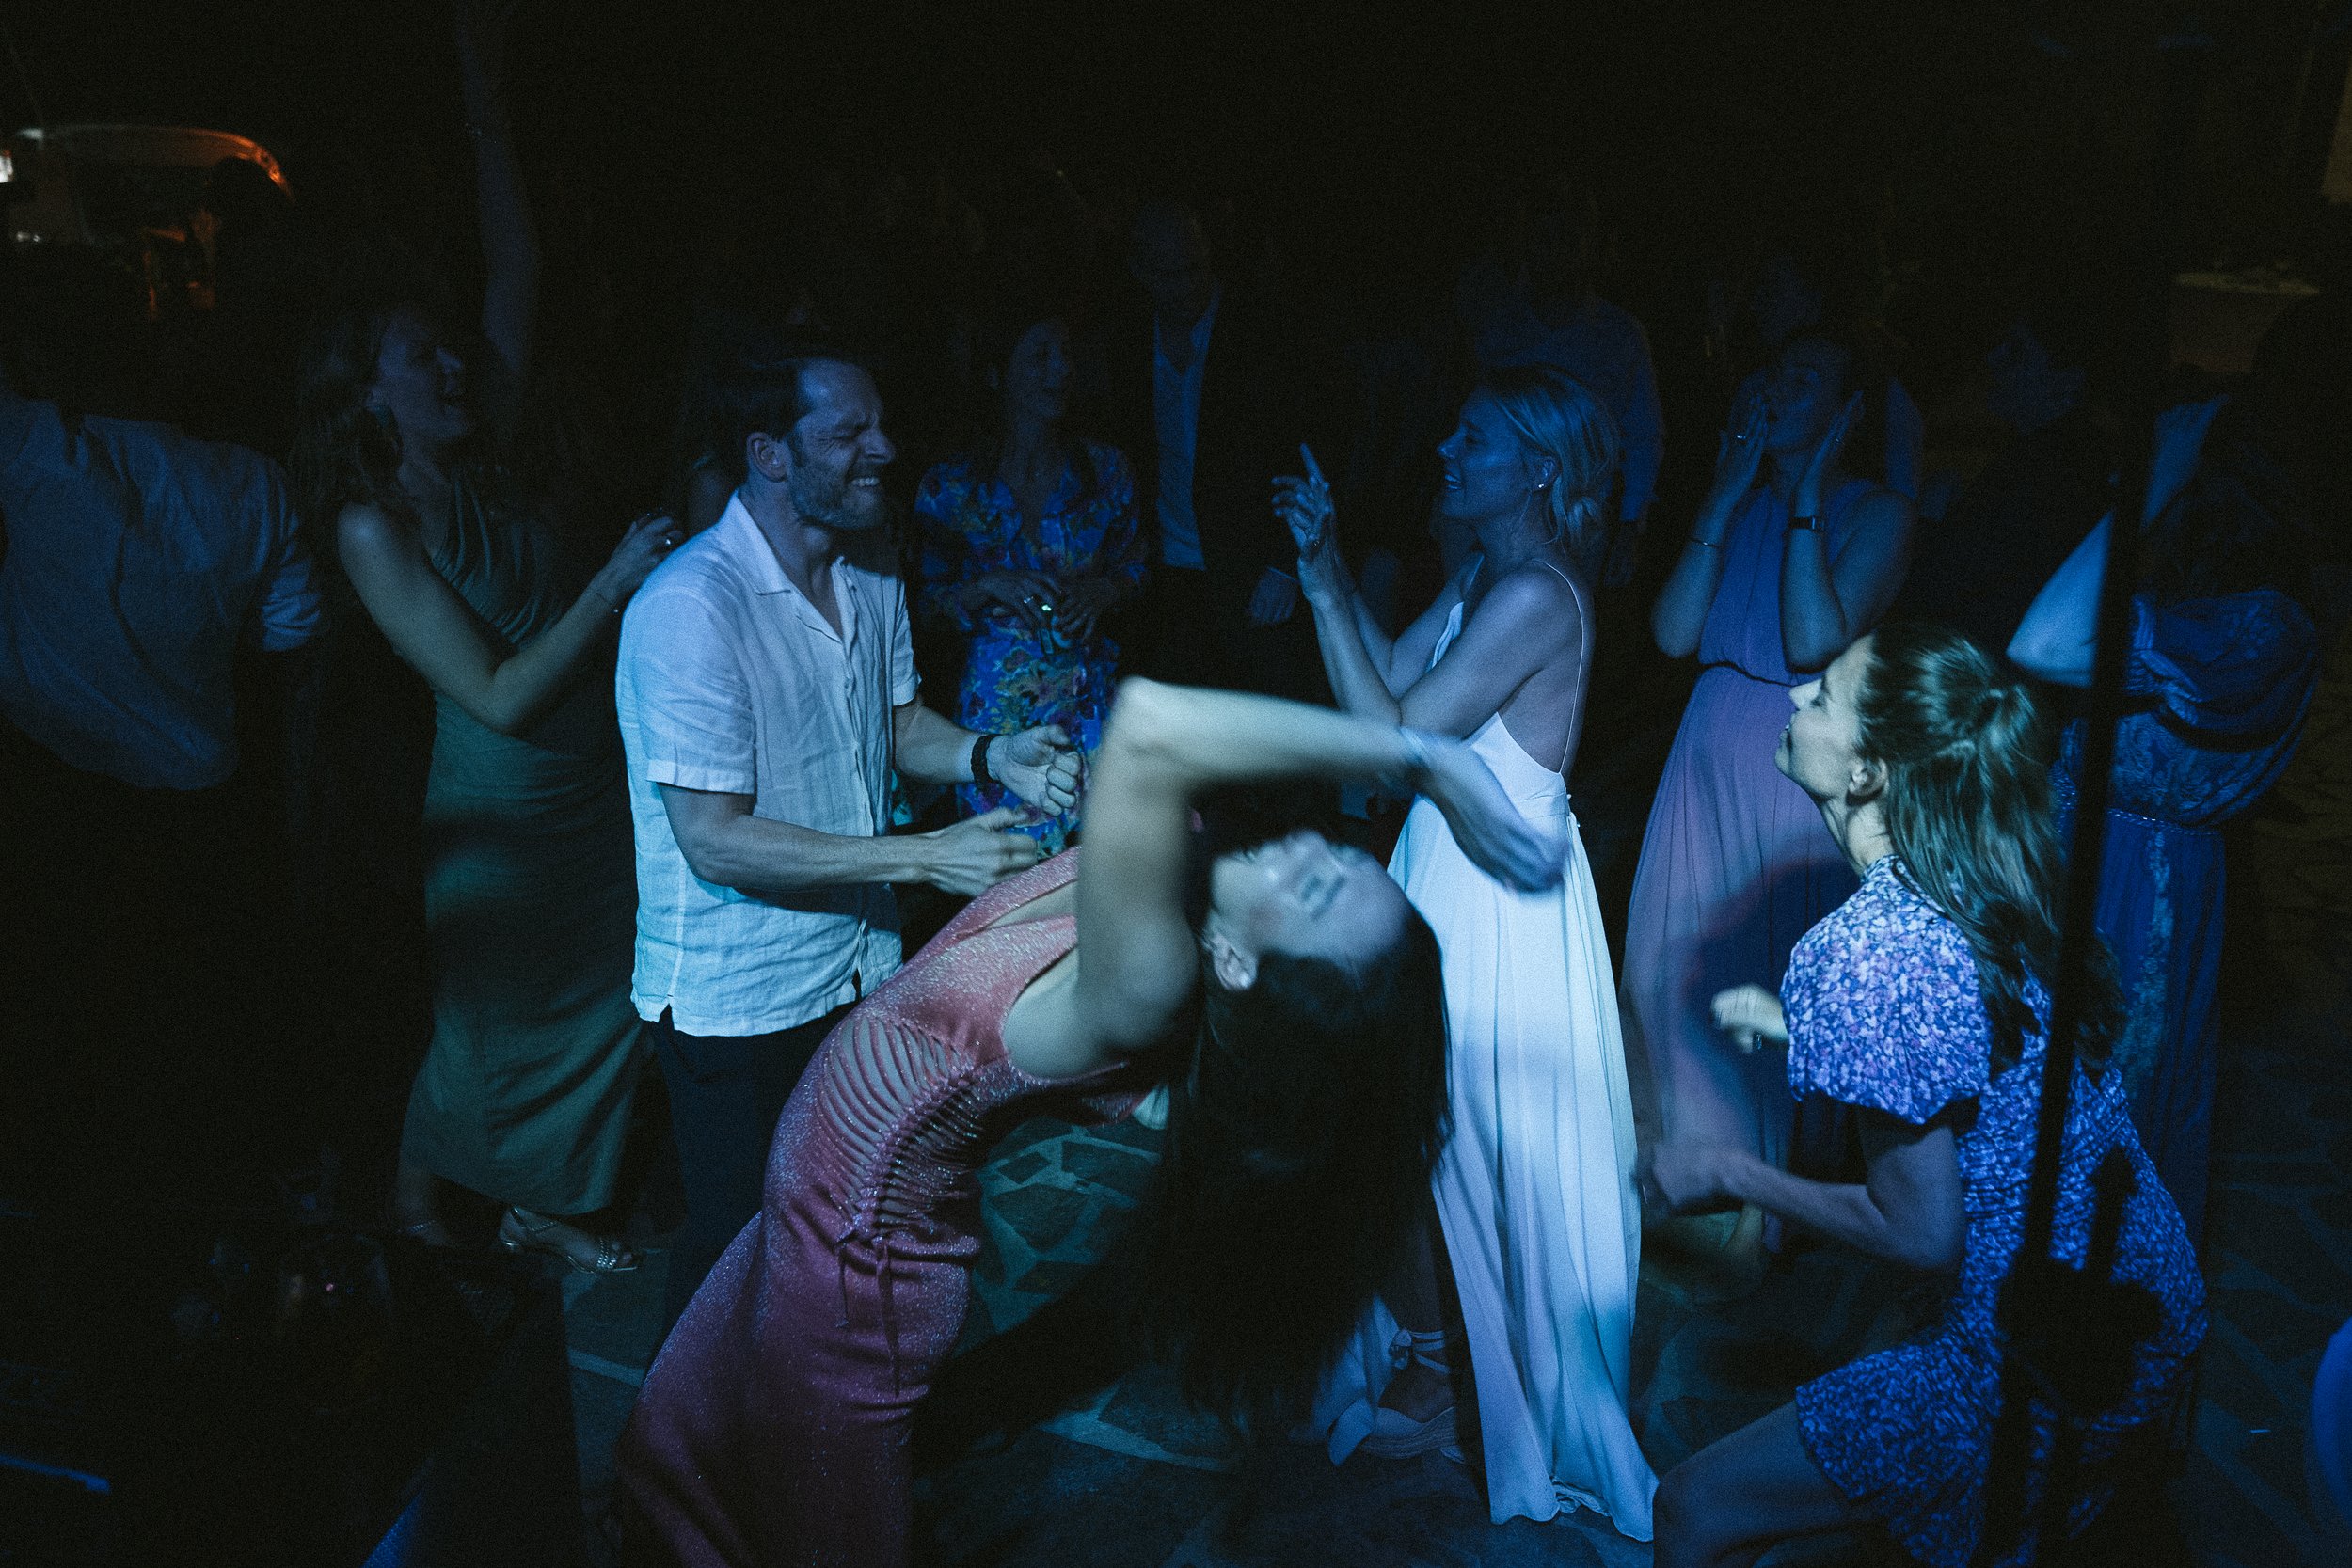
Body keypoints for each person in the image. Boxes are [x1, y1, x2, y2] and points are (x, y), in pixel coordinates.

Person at [616, 678, 1569, 1568]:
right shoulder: (1186, 876)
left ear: (1236, 964)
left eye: (1316, 889)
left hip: (855, 1269)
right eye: (1341, 857)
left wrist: (1425, 757)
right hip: (817, 1208)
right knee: (716, 1449)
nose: (1310, 847)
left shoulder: (1145, 983)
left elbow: (1148, 722)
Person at [1644, 624, 2204, 1568]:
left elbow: (1920, 1234)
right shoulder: (1970, 871)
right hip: (2133, 1294)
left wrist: (1728, 1167)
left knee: (1693, 1507)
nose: (1791, 697)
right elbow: (1977, 1038)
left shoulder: (1866, 953)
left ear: (1867, 771)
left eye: (1820, 696)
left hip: (2035, 1344)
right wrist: (1805, 1028)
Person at [294, 0, 667, 1273]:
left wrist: (481, 91)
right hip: (507, 803)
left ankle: (461, 1191)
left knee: (594, 999)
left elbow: (519, 271)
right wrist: (618, 577)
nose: (454, 367)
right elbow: (500, 691)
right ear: (366, 384)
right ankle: (509, 1206)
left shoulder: (488, 436)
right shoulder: (373, 524)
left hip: (587, 779)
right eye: (423, 359)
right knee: (505, 1015)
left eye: (452, 354)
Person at [617, 341, 1082, 1324]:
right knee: (738, 1255)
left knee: (852, 1223)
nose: (884, 447)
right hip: (739, 997)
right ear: (771, 454)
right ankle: (674, 1467)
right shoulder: (690, 607)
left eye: (880, 424)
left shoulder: (868, 563)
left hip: (856, 964)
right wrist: (924, 854)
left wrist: (993, 753)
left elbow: (896, 722)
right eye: (849, 433)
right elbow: (714, 839)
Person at [1279, 369, 1653, 1535]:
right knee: (1417, 1143)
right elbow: (1375, 705)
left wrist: (1375, 708)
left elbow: (1394, 741)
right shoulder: (1483, 573)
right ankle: (1444, 1346)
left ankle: (1508, 1388)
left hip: (1497, 904)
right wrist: (1321, 568)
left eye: (1472, 435)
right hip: (1439, 873)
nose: (1444, 444)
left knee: (1486, 1154)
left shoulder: (1539, 593)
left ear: (1537, 466)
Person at [1620, 332, 1914, 1278]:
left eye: (1806, 372)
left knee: (1776, 987)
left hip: (1793, 766)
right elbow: (1669, 631)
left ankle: (1766, 1209)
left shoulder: (1878, 513)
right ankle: (1665, 1158)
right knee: (1670, 958)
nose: (1778, 382)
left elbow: (1811, 634)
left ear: (1847, 411)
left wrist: (1804, 499)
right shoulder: (1735, 501)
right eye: (1771, 365)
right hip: (1703, 753)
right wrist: (1722, 489)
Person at [2009, 398, 2323, 1238]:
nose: (2114, 478)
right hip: (2076, 862)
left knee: (2104, 1124)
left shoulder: (2263, 627)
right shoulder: (2192, 603)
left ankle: (2084, 1331)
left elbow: (2042, 643)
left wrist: (2147, 490)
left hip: (2139, 895)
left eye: (2138, 464)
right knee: (2024, 1116)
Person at [916, 304, 1147, 850]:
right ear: (999, 373)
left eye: (1066, 355)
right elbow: (920, 607)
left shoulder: (1105, 470)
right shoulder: (950, 487)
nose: (1060, 369)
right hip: (996, 715)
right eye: (1040, 355)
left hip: (1088, 703)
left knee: (1099, 867)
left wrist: (1104, 590)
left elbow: (1137, 567)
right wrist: (988, 586)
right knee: (1007, 874)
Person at [1107, 198, 1335, 702]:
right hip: (1165, 572)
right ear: (1140, 271)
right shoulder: (1124, 336)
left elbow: (1313, 445)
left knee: (1264, 726)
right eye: (1169, 273)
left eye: (1194, 268)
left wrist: (1284, 564)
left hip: (1254, 571)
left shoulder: (1264, 329)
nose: (1186, 285)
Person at [1455, 178, 1664, 562]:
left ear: (1590, 247)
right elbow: (1468, 418)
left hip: (1580, 523)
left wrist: (1633, 525)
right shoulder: (1497, 322)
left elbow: (1643, 437)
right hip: (1488, 517)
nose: (1553, 252)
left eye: (1568, 239)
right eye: (1543, 237)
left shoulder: (1619, 334)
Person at [1895, 298, 2115, 653]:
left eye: (2016, 353)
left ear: (2068, 380)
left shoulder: (2051, 472)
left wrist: (1930, 516)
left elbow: (1941, 594)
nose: (1992, 360)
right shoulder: (2045, 456)